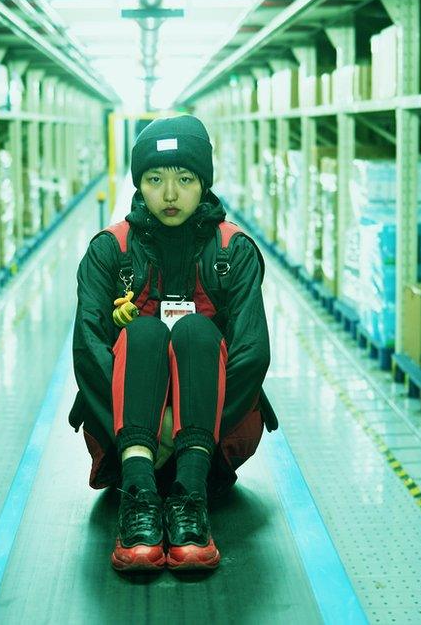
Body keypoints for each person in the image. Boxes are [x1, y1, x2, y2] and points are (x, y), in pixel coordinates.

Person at [70, 114, 275, 573]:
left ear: (204, 183)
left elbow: (251, 352)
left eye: (184, 179)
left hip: (210, 444)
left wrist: (184, 433)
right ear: (138, 184)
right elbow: (88, 349)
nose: (169, 193)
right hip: (127, 443)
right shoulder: (109, 250)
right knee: (141, 332)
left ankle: (191, 503)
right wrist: (142, 432)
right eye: (155, 178)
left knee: (198, 331)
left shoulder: (232, 251)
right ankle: (139, 500)